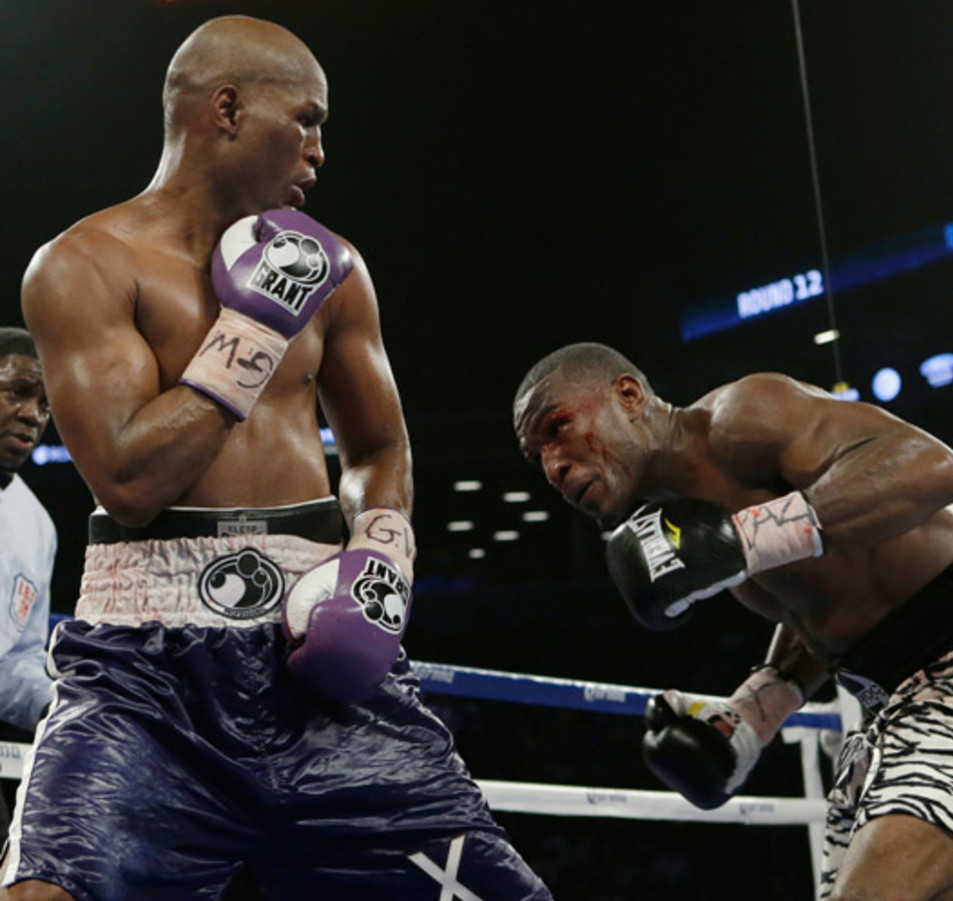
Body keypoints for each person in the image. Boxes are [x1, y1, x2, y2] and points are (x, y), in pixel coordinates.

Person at [4, 16, 551, 901]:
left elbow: (377, 446)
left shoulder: (336, 269)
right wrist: (254, 329)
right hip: (146, 683)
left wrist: (380, 552)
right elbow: (130, 480)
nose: (320, 149)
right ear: (226, 109)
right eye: (306, 119)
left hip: (316, 668)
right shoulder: (83, 265)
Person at [513, 342, 953, 901]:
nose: (553, 465)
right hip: (896, 706)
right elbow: (824, 610)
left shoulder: (740, 418)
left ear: (629, 394)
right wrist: (753, 713)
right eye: (536, 454)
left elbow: (935, 469)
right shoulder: (677, 522)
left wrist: (746, 538)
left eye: (557, 427)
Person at [0, 328, 55, 835]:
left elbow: (15, 661)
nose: (34, 415)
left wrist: (65, 703)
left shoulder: (37, 525)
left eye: (45, 403)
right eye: (18, 392)